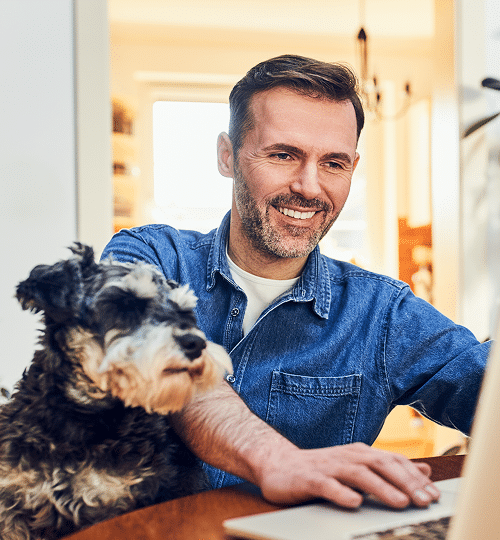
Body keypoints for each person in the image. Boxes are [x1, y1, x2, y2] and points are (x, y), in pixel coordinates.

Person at [101, 54, 490, 510]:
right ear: (227, 156)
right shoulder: (148, 256)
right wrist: (278, 460)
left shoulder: (381, 314)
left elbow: (486, 386)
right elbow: (164, 361)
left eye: (334, 163)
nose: (309, 187)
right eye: (284, 155)